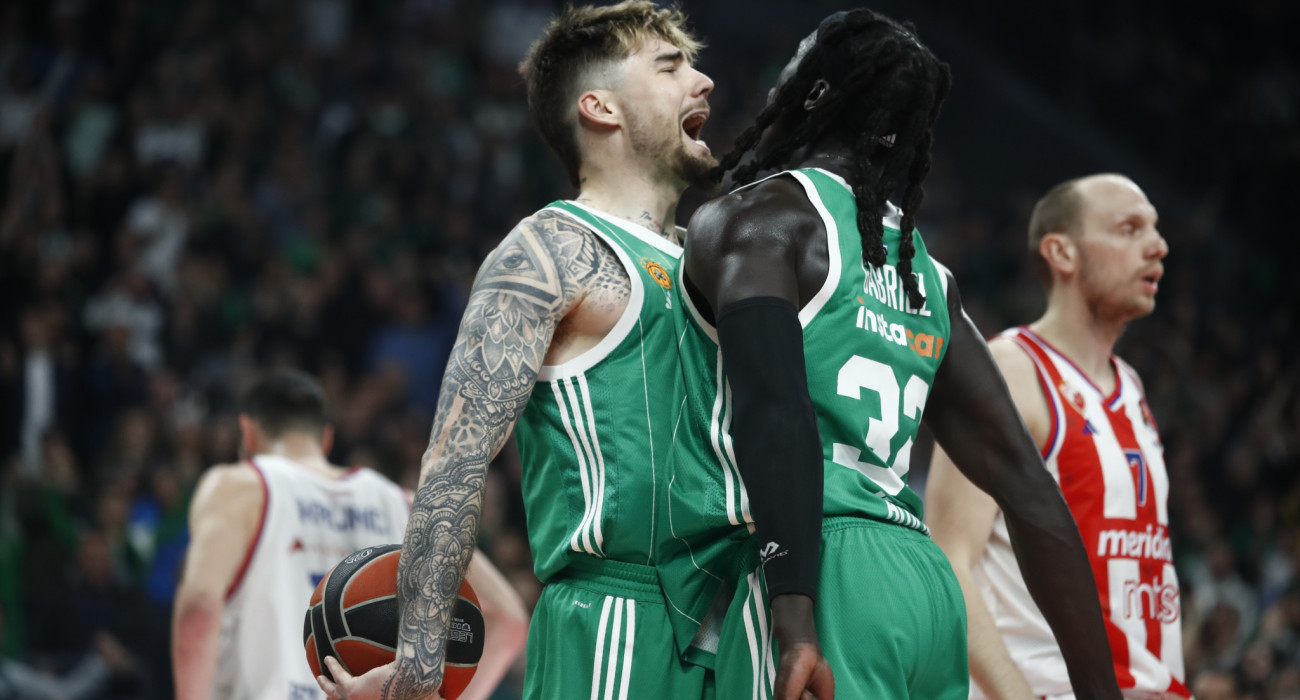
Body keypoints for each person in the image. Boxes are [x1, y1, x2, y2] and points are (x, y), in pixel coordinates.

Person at [316, 4, 774, 700]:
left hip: (740, 622)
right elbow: (455, 462)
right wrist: (419, 666)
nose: (703, 80)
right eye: (670, 66)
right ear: (600, 107)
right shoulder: (552, 251)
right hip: (620, 617)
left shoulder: (722, 266)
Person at [670, 9, 1124, 700]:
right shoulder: (929, 279)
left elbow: (776, 412)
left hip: (820, 571)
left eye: (795, 64)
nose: (780, 79)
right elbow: (1031, 491)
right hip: (924, 589)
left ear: (816, 92)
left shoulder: (764, 220)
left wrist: (795, 619)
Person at [925, 174, 1185, 699]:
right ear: (1062, 252)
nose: (1158, 246)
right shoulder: (1010, 368)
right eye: (1130, 229)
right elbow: (948, 562)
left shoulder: (1132, 386)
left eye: (1156, 230)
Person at [171, 369, 527, 700]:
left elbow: (200, 608)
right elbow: (507, 619)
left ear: (247, 432)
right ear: (326, 438)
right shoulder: (401, 503)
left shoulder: (239, 485)